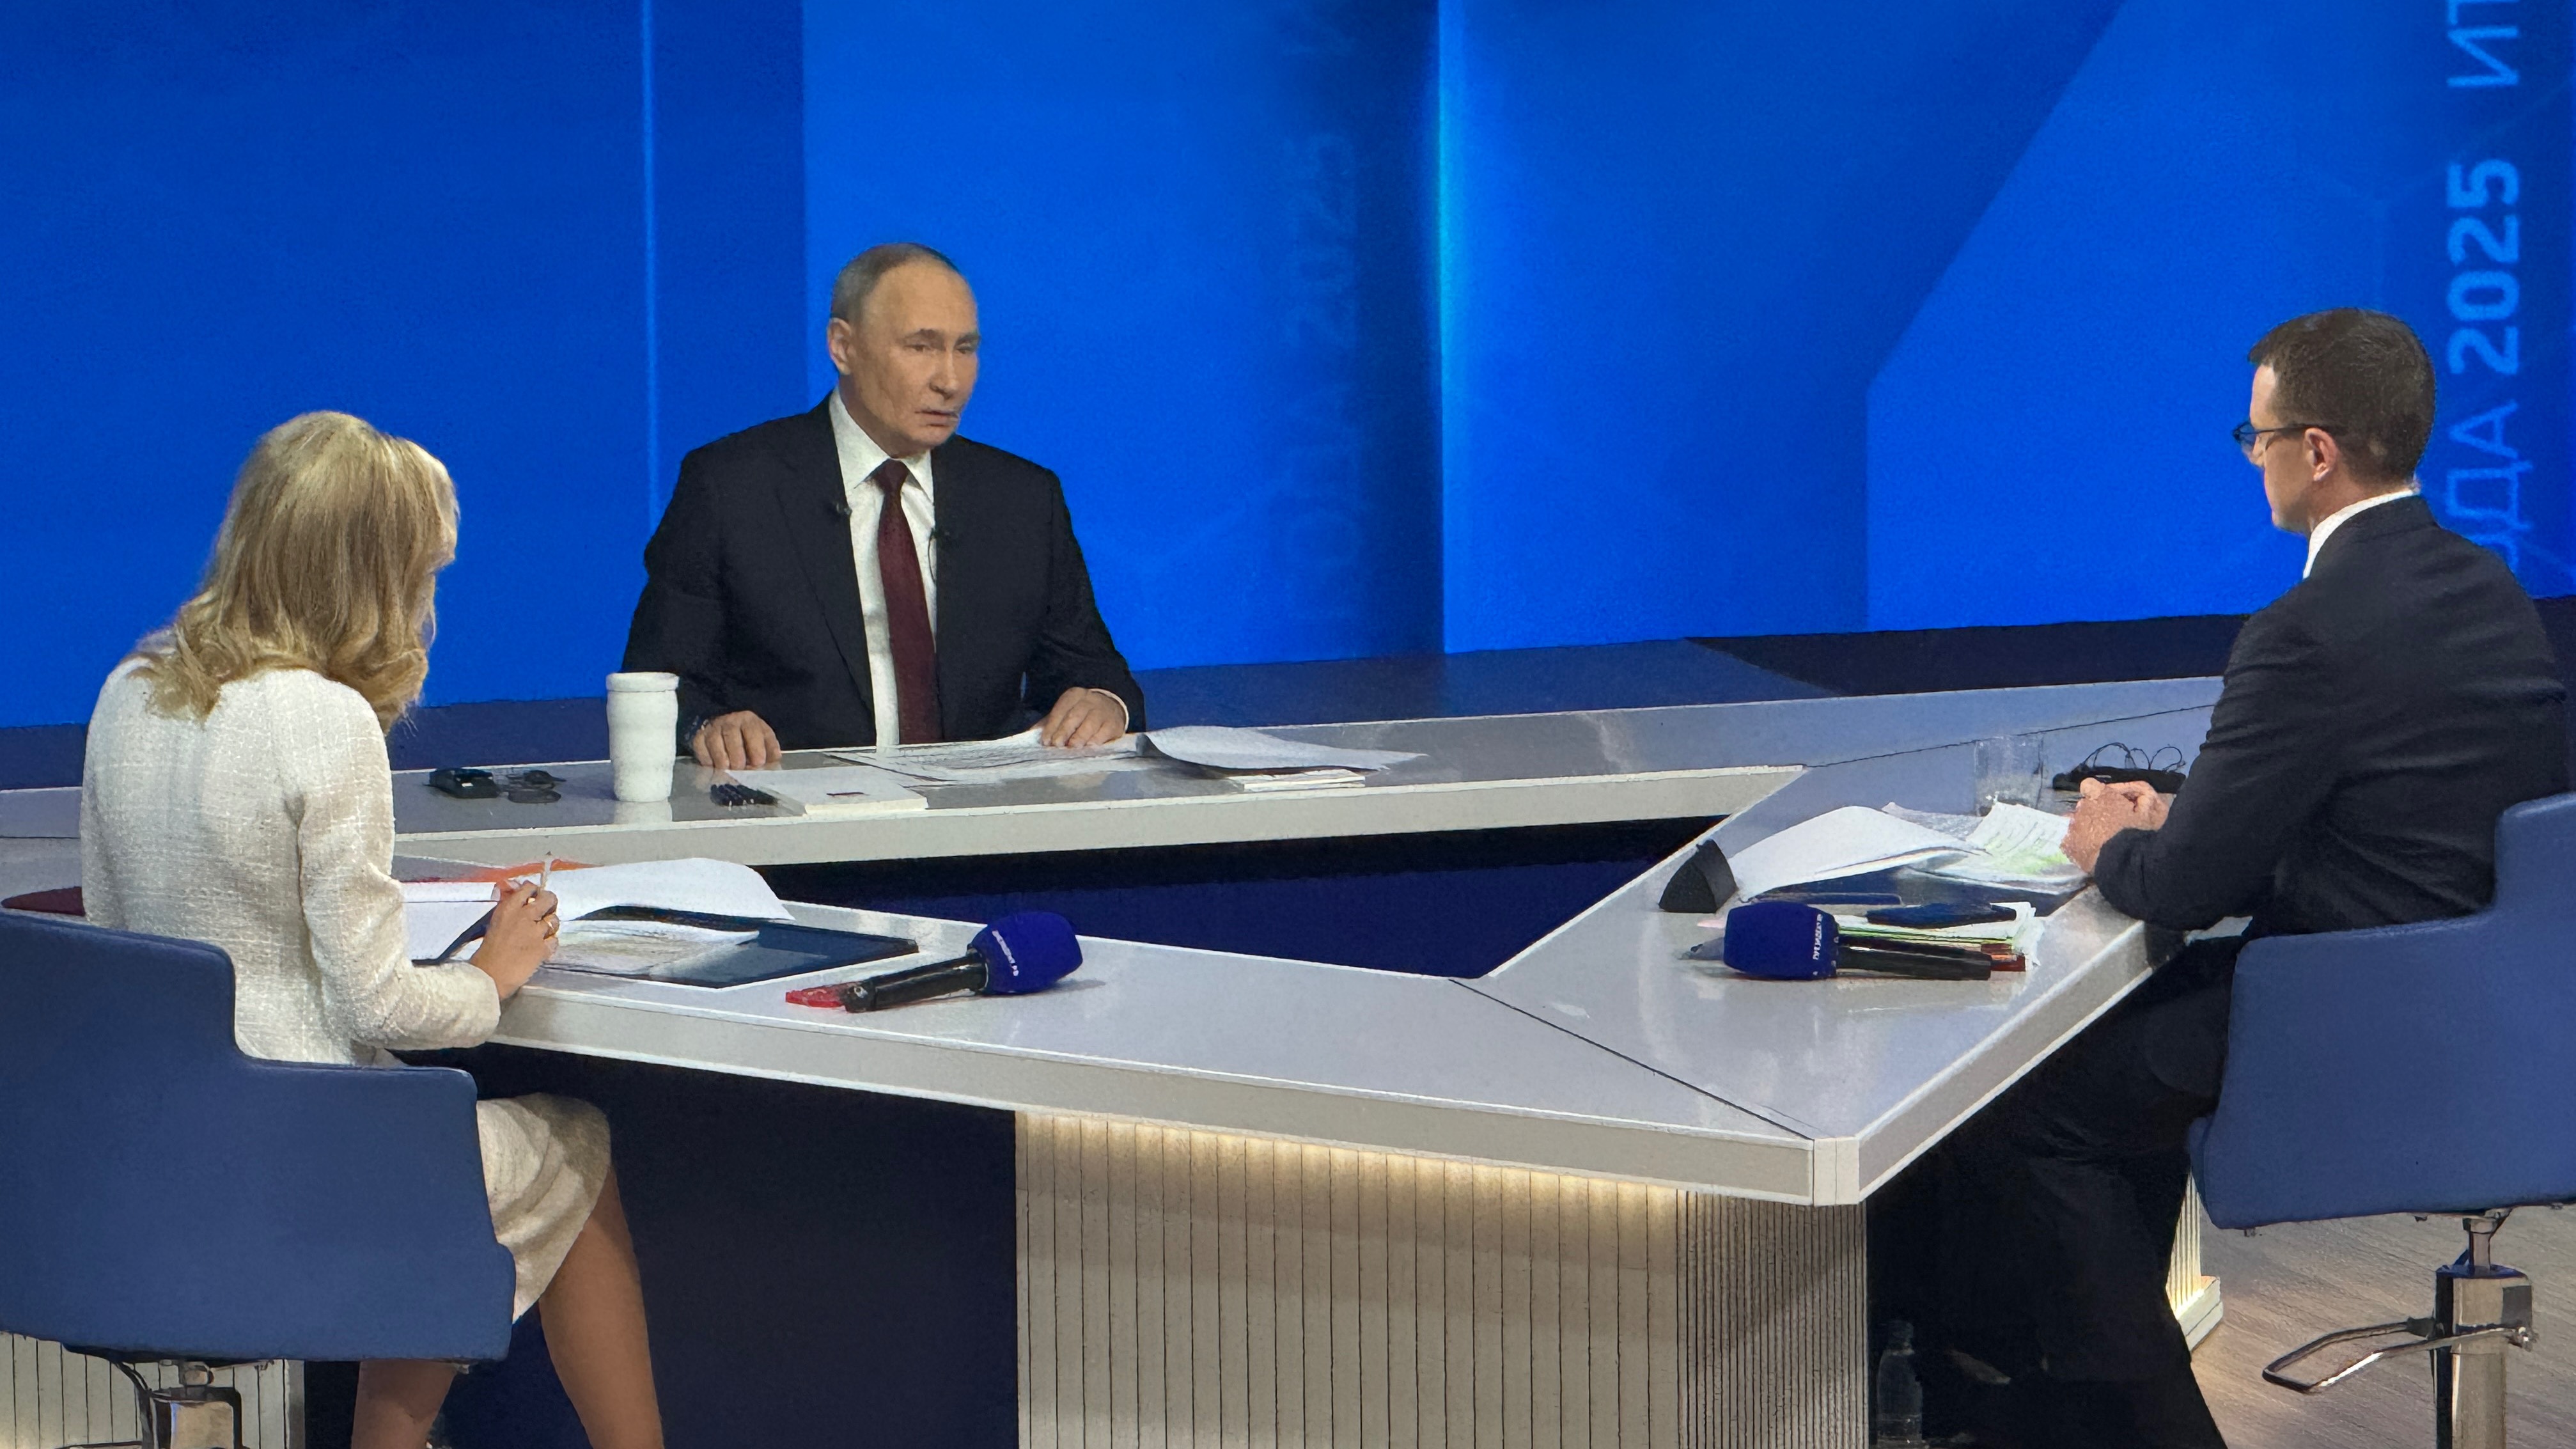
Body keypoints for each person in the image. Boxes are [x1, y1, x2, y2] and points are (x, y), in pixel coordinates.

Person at [1930, 309, 2567, 1448]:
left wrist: (2105, 842)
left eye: (2254, 436)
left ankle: (2148, 1428)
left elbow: (2179, 892)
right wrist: (2197, 819)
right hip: (2503, 1019)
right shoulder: (2488, 589)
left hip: (2350, 1012)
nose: (2251, 459)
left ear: (2313, 452)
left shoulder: (2305, 628)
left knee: (2023, 1114)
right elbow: (2402, 808)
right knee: (2116, 1082)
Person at [81, 413, 666, 1449]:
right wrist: (493, 972)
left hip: (148, 1162)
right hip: (301, 1158)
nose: (426, 602)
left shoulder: (129, 694)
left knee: (437, 1156)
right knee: (570, 1144)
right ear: (374, 575)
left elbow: (111, 933)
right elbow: (376, 1002)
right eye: (423, 573)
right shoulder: (324, 720)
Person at [621, 242, 1146, 769]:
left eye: (965, 349)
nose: (950, 381)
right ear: (843, 347)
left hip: (980, 809)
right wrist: (710, 725)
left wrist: (1104, 703)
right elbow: (661, 682)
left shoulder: (1021, 498)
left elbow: (1096, 673)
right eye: (921, 347)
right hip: (800, 807)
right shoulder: (732, 486)